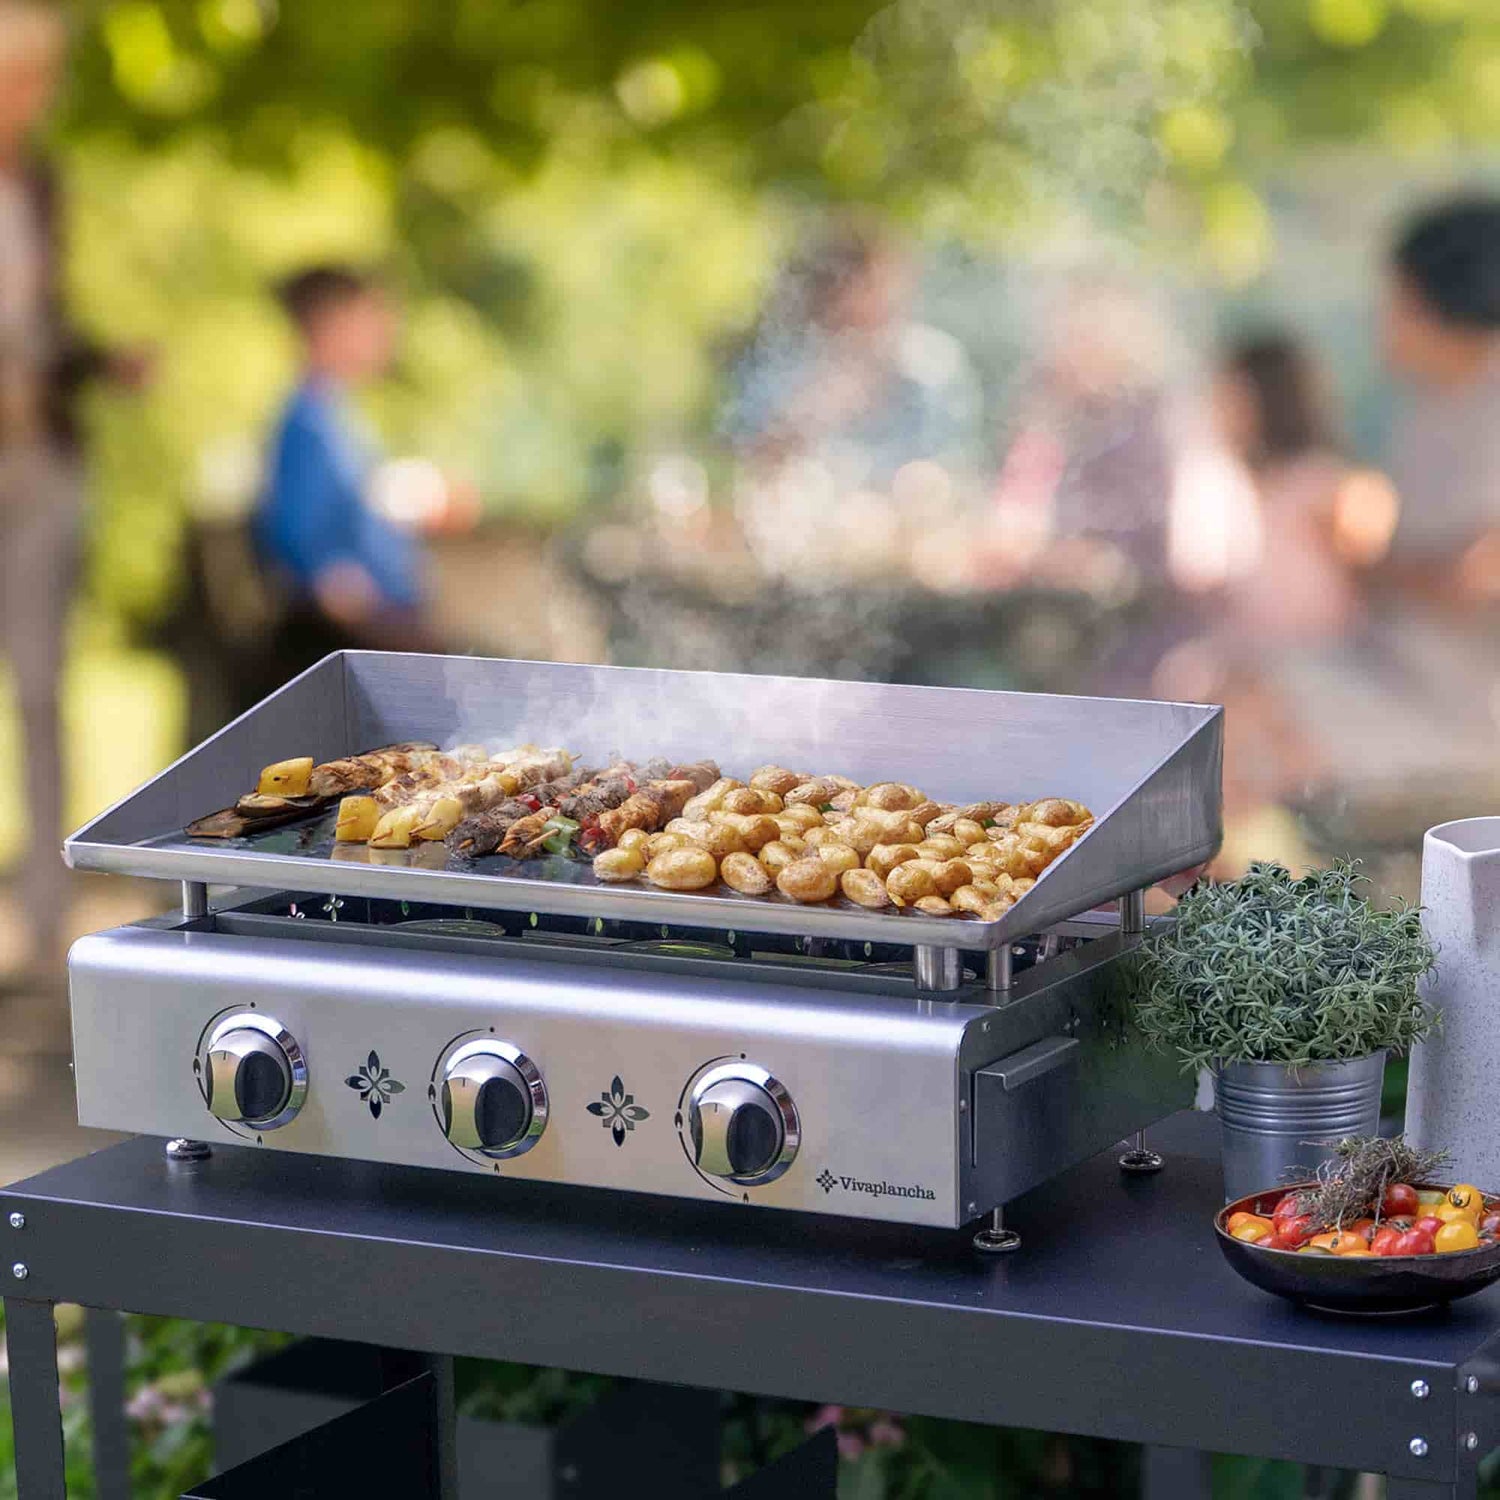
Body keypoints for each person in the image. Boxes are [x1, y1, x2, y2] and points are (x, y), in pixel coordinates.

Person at [0, 3, 150, 973]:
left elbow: (45, 329)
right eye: (18, 78)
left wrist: (102, 363)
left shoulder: (39, 186)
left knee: (42, 682)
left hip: (40, 458)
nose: (32, 99)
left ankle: (45, 908)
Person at [253, 266, 462, 690]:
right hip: (348, 645)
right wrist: (379, 626)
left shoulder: (338, 415)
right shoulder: (307, 422)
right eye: (370, 319)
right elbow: (305, 549)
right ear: (330, 325)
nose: (386, 332)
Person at [1381, 197, 1500, 600]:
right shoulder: (1428, 403)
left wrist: (1374, 570)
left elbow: (1478, 574)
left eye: (1400, 301)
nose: (1386, 321)